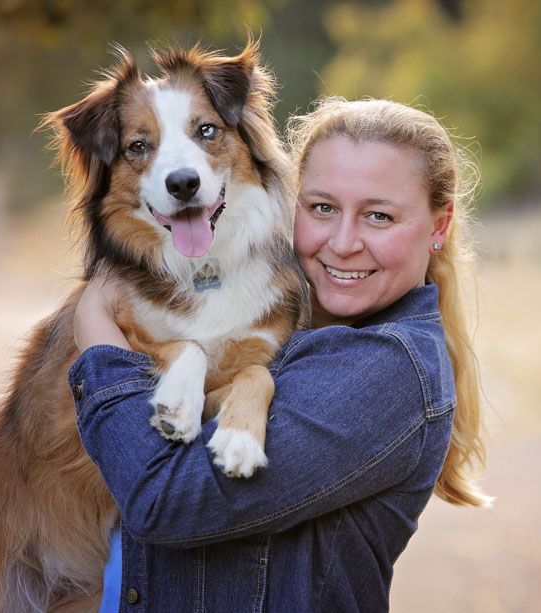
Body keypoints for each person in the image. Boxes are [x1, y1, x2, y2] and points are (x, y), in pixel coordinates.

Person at [71, 97, 491, 612]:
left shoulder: (390, 369)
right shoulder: (271, 315)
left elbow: (162, 501)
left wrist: (95, 330)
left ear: (440, 226)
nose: (342, 243)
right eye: (322, 208)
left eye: (379, 216)